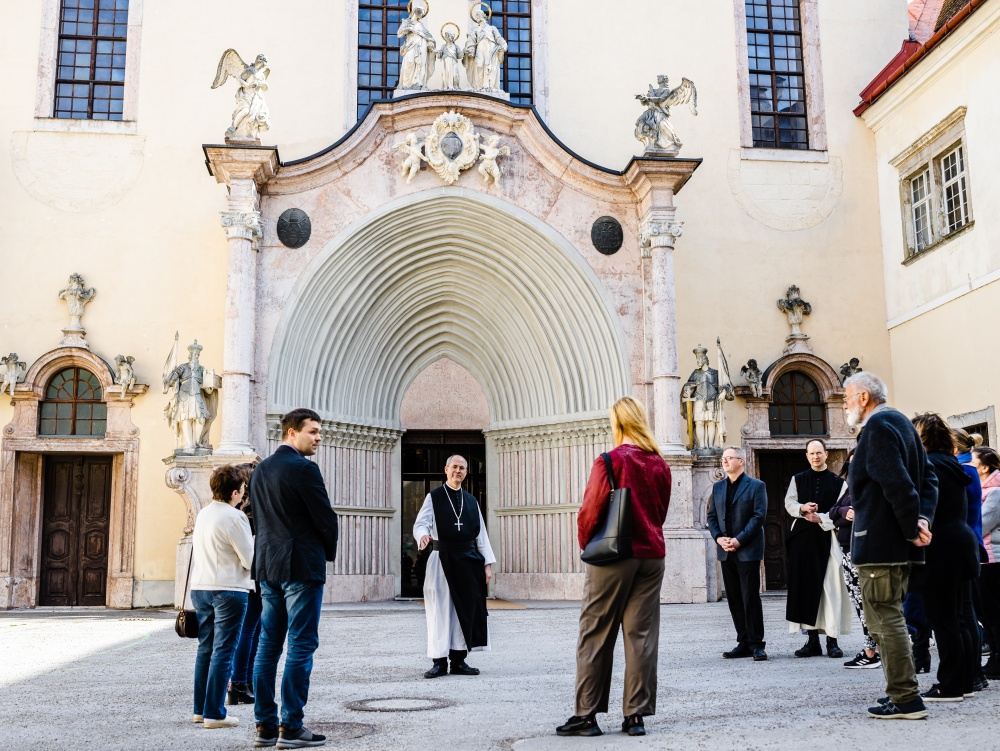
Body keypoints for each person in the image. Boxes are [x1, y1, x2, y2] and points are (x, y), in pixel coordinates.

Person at [557, 397, 672, 738]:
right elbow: (661, 511)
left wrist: (586, 545)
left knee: (595, 632)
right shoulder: (660, 463)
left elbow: (590, 511)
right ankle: (635, 716)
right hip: (652, 555)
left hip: (614, 555)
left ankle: (586, 715)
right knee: (641, 637)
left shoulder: (609, 460)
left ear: (618, 423)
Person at [843, 372, 937, 719]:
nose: (845, 404)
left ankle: (905, 698)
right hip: (895, 542)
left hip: (881, 542)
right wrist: (923, 519)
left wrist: (913, 526)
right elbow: (928, 480)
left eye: (847, 397)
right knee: (890, 617)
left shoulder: (879, 428)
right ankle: (900, 692)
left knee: (885, 620)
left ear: (864, 397)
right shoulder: (903, 424)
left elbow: (897, 484)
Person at [251, 409, 339, 749]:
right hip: (301, 566)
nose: (318, 438)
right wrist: (327, 552)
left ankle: (264, 726)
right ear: (291, 433)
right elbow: (325, 518)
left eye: (320, 432)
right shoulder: (305, 468)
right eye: (313, 431)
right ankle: (291, 727)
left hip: (268, 567)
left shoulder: (260, 470)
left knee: (268, 646)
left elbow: (257, 521)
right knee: (301, 644)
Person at [908, 414, 980, 702]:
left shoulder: (928, 466)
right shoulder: (953, 464)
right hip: (962, 545)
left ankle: (949, 686)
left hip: (940, 550)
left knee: (943, 620)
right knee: (960, 618)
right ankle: (963, 681)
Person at [414, 454, 495, 679]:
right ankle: (439, 661)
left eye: (462, 468)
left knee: (463, 612)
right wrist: (422, 536)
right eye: (454, 467)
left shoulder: (471, 501)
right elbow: (421, 523)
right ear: (446, 469)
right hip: (441, 559)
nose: (458, 471)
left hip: (468, 561)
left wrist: (486, 564)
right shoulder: (434, 497)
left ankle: (458, 660)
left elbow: (481, 535)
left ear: (466, 472)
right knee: (439, 610)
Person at [190, 465, 254, 729]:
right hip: (228, 588)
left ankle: (200, 709)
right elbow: (249, 560)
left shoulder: (203, 513)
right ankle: (215, 713)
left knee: (205, 649)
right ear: (236, 492)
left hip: (201, 587)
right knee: (224, 651)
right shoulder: (235, 516)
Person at [783, 439, 852, 658]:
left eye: (819, 453)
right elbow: (789, 503)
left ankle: (832, 640)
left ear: (826, 454)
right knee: (805, 589)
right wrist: (803, 508)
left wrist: (820, 518)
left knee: (830, 589)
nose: (815, 456)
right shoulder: (798, 479)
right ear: (807, 456)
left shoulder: (838, 483)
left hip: (828, 539)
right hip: (802, 541)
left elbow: (842, 508)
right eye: (811, 453)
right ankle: (812, 641)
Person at [707, 446, 768, 661]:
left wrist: (739, 539)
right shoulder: (718, 488)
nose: (724, 461)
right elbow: (712, 517)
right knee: (733, 598)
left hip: (747, 549)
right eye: (723, 458)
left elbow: (758, 517)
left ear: (741, 461)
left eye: (728, 458)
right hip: (725, 550)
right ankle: (743, 641)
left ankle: (757, 644)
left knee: (750, 597)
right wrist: (718, 538)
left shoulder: (756, 486)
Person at [829, 454, 881, 669]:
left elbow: (865, 517)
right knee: (860, 604)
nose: (852, 466)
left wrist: (848, 516)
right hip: (848, 551)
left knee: (866, 604)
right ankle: (871, 648)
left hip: (862, 552)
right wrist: (843, 512)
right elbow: (833, 512)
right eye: (850, 463)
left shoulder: (870, 488)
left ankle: (872, 652)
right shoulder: (850, 490)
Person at [227, 463, 261, 706]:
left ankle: (245, 681)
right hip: (252, 573)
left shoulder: (240, 510)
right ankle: (240, 682)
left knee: (254, 628)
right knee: (250, 628)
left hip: (248, 573)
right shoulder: (249, 513)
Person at [972, 445, 1000, 679]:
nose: (969, 464)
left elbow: (981, 524)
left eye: (973, 461)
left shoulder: (995, 492)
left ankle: (998, 658)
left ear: (984, 466)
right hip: (982, 560)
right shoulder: (980, 489)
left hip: (993, 560)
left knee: (993, 612)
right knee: (985, 612)